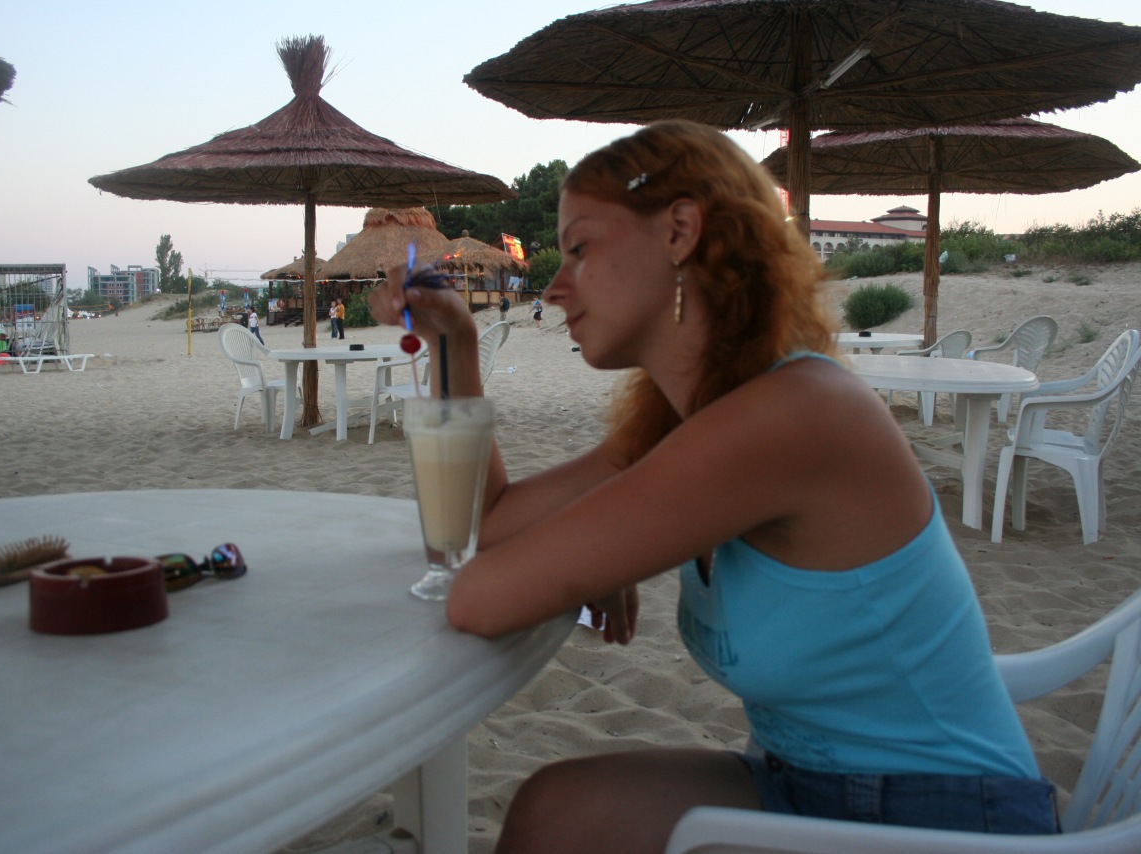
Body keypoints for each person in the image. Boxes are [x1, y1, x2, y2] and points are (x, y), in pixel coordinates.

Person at [368, 119, 1058, 852]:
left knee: (559, 818)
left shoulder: (789, 415)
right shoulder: (687, 422)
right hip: (806, 783)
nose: (556, 287)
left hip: (947, 819)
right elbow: (485, 525)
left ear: (679, 232)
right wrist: (454, 341)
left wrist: (595, 551)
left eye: (580, 249)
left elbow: (477, 597)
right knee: (557, 811)